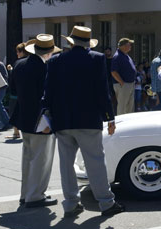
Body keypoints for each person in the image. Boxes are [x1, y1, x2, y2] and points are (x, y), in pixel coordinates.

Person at [44, 25, 124, 218]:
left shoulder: (55, 61)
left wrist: (48, 115)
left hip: (63, 119)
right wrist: (109, 116)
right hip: (88, 118)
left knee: (66, 164)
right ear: (88, 43)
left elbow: (48, 91)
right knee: (95, 162)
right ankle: (106, 203)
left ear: (71, 42)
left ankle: (71, 203)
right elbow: (102, 91)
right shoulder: (96, 59)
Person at [9, 34, 60, 208]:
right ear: (48, 52)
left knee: (28, 157)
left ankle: (26, 194)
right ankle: (35, 195)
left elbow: (13, 89)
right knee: (41, 159)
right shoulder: (46, 68)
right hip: (41, 119)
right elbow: (50, 95)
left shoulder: (19, 64)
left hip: (24, 117)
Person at [110, 37, 137, 115]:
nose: (130, 46)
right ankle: (121, 125)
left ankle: (129, 124)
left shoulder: (126, 55)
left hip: (130, 84)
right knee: (122, 107)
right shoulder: (117, 56)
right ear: (123, 46)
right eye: (129, 45)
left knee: (130, 107)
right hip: (123, 85)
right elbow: (113, 72)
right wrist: (122, 83)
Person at [8, 42, 28, 139]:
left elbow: (13, 78)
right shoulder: (34, 61)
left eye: (17, 52)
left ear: (21, 52)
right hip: (26, 93)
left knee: (14, 112)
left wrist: (11, 70)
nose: (17, 54)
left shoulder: (18, 63)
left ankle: (16, 132)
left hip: (16, 93)